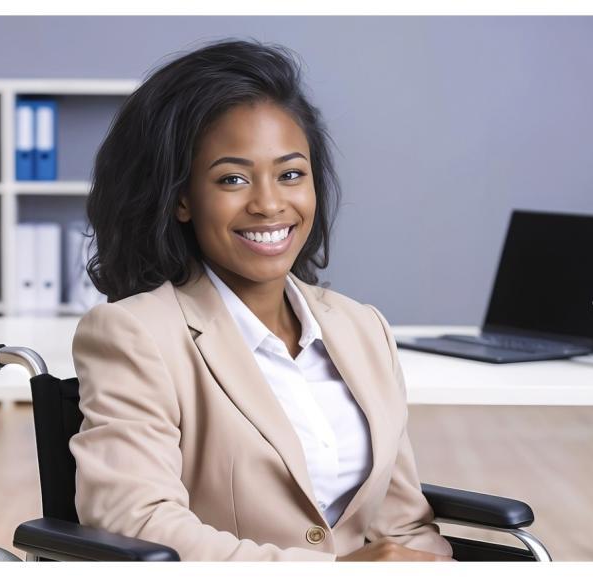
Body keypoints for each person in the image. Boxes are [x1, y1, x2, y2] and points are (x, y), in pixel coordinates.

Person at [70, 37, 454, 562]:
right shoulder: (135, 334)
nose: (270, 203)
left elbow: (404, 524)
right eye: (232, 179)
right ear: (182, 198)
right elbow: (135, 518)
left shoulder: (364, 329)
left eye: (291, 174)